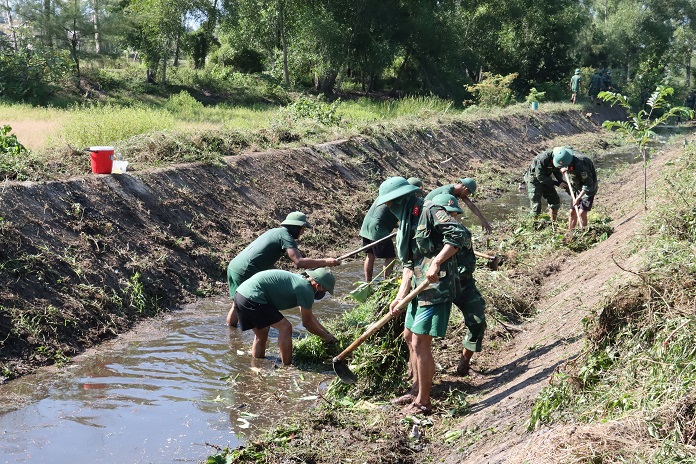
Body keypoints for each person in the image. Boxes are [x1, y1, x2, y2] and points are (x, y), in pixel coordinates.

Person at [377, 176, 465, 415]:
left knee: (420, 341)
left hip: (436, 287)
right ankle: (416, 389)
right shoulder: (405, 222)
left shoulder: (430, 209)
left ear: (402, 199)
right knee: (408, 336)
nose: (388, 208)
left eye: (390, 203)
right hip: (417, 287)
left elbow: (458, 235)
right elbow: (408, 263)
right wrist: (399, 296)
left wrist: (437, 261)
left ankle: (424, 402)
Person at [226, 211, 340, 326]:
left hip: (235, 266)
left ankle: (231, 334)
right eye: (302, 228)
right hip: (247, 269)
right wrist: (326, 261)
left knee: (237, 303)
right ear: (294, 227)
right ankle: (263, 331)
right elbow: (299, 262)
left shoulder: (275, 232)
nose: (303, 232)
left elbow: (263, 258)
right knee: (253, 301)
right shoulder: (286, 236)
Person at [430, 194, 486, 376]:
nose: (453, 218)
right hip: (437, 286)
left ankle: (464, 364)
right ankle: (417, 372)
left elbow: (469, 260)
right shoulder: (427, 239)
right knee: (422, 332)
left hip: (463, 283)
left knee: (477, 321)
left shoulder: (462, 233)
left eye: (455, 214)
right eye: (448, 214)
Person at [233, 268, 338, 365]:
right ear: (318, 285)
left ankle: (256, 365)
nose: (323, 293)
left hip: (241, 294)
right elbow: (307, 323)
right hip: (254, 297)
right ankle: (287, 367)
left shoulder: (301, 280)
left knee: (262, 334)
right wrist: (325, 337)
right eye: (324, 290)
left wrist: (327, 333)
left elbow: (309, 317)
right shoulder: (305, 289)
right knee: (286, 328)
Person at [552, 147, 598, 230]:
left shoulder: (581, 166)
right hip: (576, 186)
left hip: (588, 188)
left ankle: (584, 232)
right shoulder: (565, 156)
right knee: (572, 212)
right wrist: (563, 168)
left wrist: (578, 198)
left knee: (581, 212)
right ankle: (570, 233)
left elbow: (588, 184)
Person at [425, 178, 493, 233]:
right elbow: (443, 212)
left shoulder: (458, 191)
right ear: (465, 189)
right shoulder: (446, 192)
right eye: (468, 193)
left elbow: (471, 206)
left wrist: (484, 220)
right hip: (426, 212)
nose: (466, 196)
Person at [359, 198, 398, 282]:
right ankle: (386, 284)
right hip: (378, 228)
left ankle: (367, 283)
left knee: (370, 255)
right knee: (391, 257)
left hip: (366, 225)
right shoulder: (400, 197)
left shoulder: (385, 194)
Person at [523, 148, 565, 220]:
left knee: (554, 200)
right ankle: (534, 223)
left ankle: (553, 221)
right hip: (533, 178)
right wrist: (557, 184)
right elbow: (540, 177)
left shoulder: (558, 158)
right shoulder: (542, 159)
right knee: (536, 203)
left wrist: (561, 181)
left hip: (546, 177)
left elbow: (556, 171)